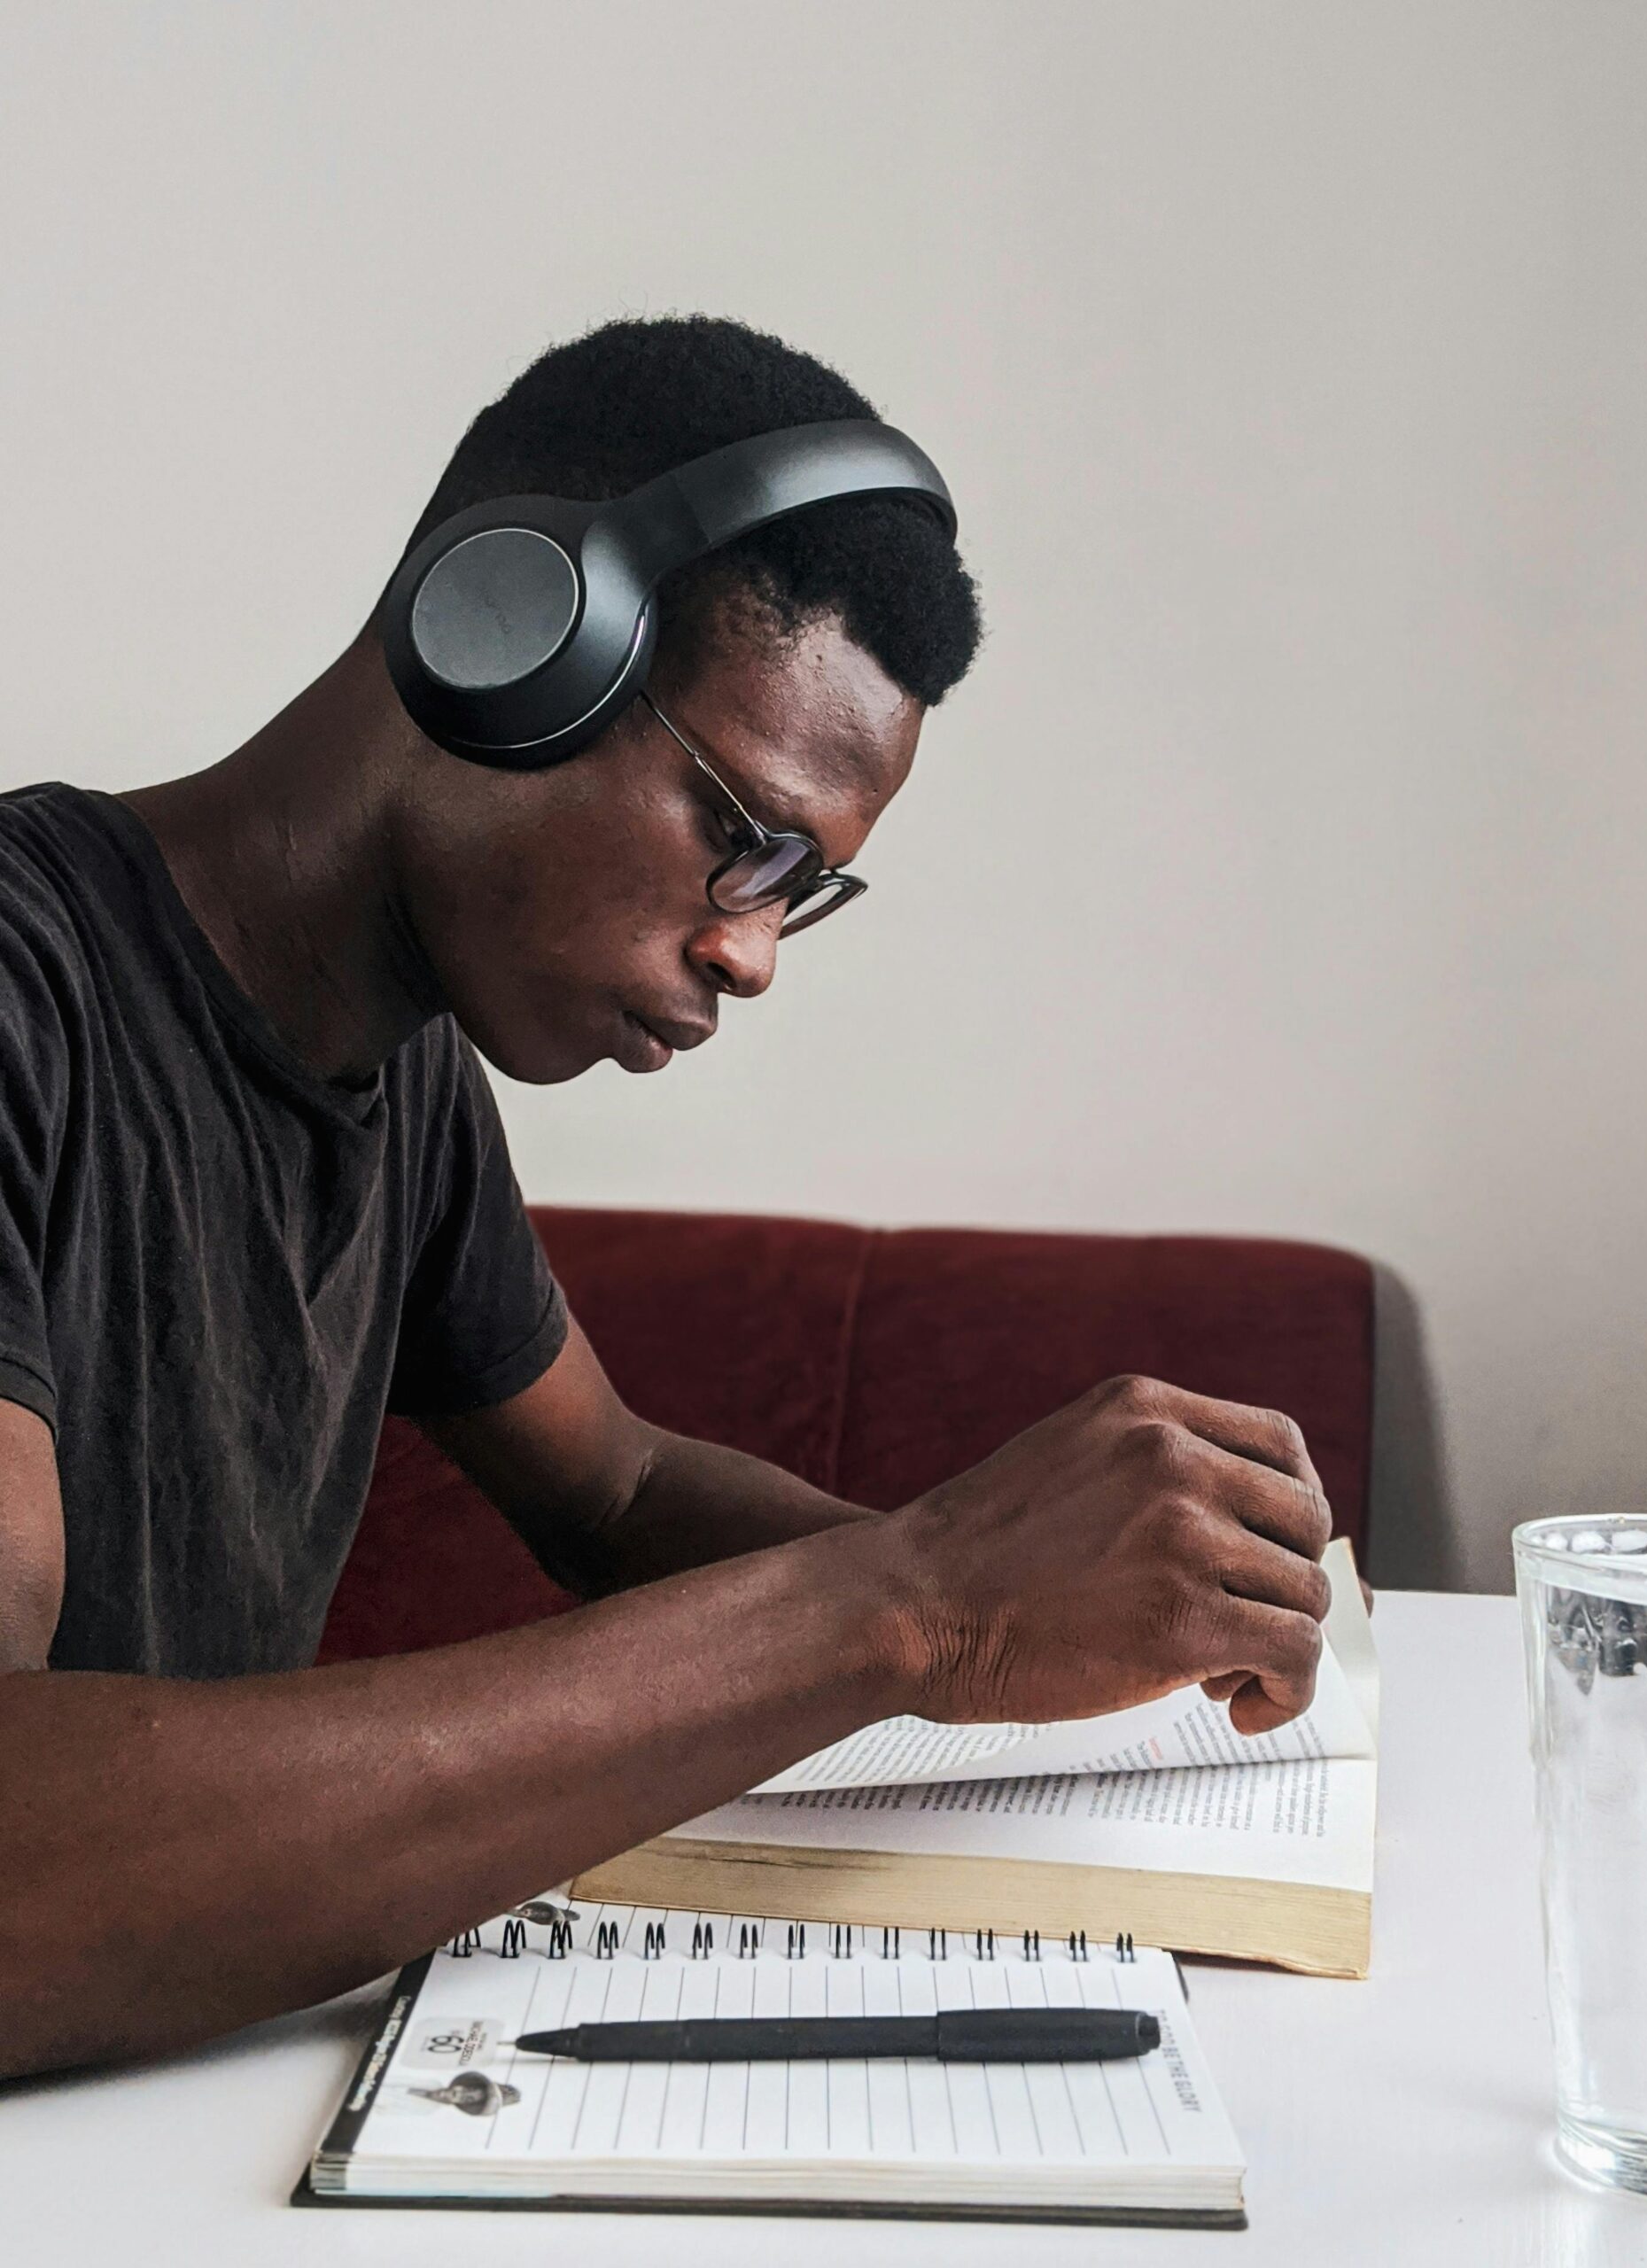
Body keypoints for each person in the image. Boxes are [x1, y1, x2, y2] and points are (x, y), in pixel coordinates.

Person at [0, 316, 1332, 2081]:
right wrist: (916, 1602)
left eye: (807, 891)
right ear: (502, 632)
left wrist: (1049, 1611)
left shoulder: (401, 1079)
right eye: (745, 837)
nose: (753, 953)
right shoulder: (28, 989)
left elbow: (615, 1487)